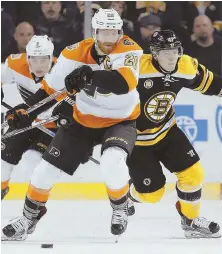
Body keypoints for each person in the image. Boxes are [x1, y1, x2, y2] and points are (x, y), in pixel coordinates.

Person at [1, 8, 143, 241]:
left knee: (112, 161)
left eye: (114, 33)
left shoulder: (129, 48)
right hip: (83, 121)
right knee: (44, 170)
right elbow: (50, 90)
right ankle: (28, 217)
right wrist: (27, 112)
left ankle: (119, 206)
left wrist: (90, 76)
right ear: (95, 33)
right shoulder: (74, 53)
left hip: (120, 120)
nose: (109, 40)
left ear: (120, 32)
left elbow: (123, 83)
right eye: (104, 34)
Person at [127, 30, 221, 238]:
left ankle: (190, 222)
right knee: (151, 196)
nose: (172, 56)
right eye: (165, 52)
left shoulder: (186, 65)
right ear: (153, 53)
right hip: (136, 141)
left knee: (194, 174)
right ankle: (127, 196)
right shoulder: (135, 66)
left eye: (175, 50)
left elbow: (213, 84)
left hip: (167, 131)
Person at [1, 35, 59, 200]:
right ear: (27, 57)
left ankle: (36, 201)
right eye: (34, 60)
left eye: (43, 60)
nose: (39, 66)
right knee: (4, 157)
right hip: (26, 120)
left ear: (51, 57)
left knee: (31, 161)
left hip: (53, 125)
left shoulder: (63, 71)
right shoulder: (15, 64)